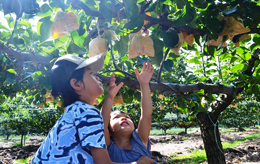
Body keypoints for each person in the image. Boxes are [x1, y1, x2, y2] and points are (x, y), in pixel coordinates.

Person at [31, 54, 154, 164]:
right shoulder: (88, 112)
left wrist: (111, 96)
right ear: (77, 84)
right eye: (92, 74)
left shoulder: (74, 111)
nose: (98, 78)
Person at [101, 61, 157, 163]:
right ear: (109, 129)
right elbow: (102, 124)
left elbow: (146, 114)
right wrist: (110, 97)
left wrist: (144, 84)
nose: (123, 118)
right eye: (116, 117)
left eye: (127, 117)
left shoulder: (140, 140)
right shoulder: (108, 146)